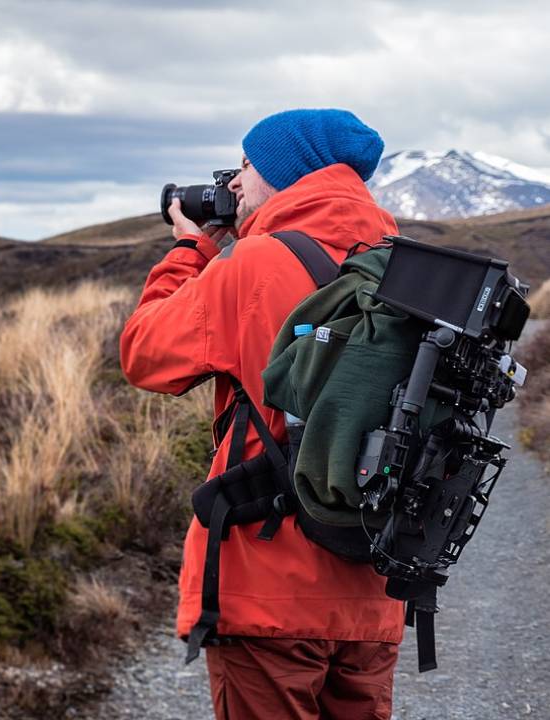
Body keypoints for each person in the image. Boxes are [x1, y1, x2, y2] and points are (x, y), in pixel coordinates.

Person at [119, 109, 404, 720]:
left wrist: (191, 250)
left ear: (284, 171)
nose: (236, 183)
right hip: (373, 586)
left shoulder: (252, 265)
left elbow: (144, 355)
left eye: (247, 165)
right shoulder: (401, 265)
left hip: (269, 580)